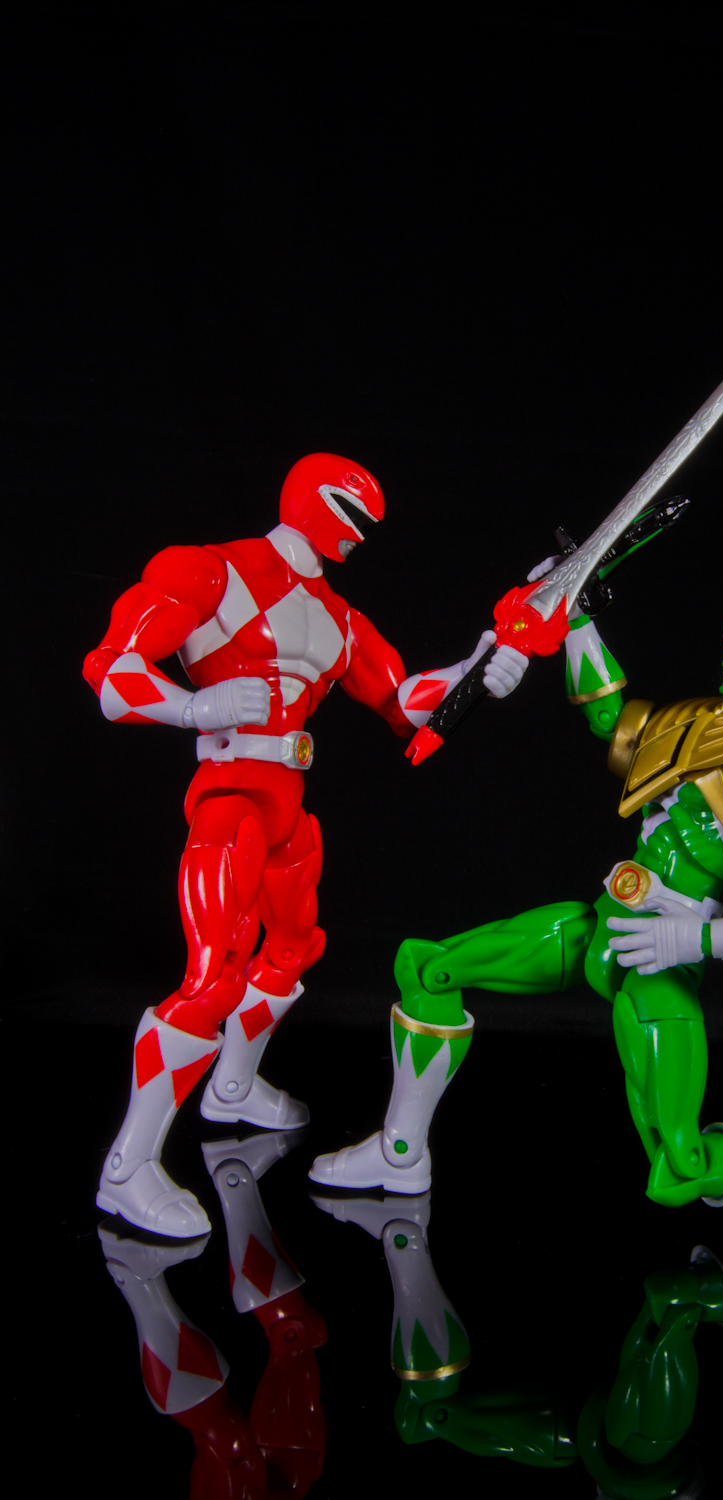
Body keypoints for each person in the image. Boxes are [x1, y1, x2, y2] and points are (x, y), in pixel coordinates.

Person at [310, 600, 723, 1224]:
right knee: (428, 969)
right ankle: (400, 1154)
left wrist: (694, 940)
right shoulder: (699, 723)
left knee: (682, 1166)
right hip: (605, 924)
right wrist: (576, 618)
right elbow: (610, 718)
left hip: (661, 964)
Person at [84, 452, 528, 1237]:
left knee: (291, 950)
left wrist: (479, 664)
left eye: (368, 523)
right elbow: (112, 674)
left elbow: (404, 703)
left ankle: (232, 1090)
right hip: (230, 798)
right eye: (349, 512)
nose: (358, 533)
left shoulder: (340, 620)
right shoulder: (211, 571)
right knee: (213, 980)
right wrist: (193, 707)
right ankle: (129, 1167)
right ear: (308, 497)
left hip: (288, 803)